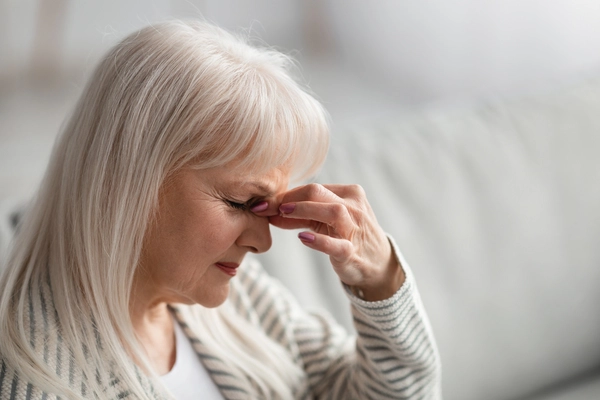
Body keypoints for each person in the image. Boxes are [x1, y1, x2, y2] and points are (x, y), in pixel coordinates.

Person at [0, 20, 441, 399]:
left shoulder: (239, 299)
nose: (263, 242)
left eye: (265, 209)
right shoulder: (40, 380)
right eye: (239, 202)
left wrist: (382, 282)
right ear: (125, 175)